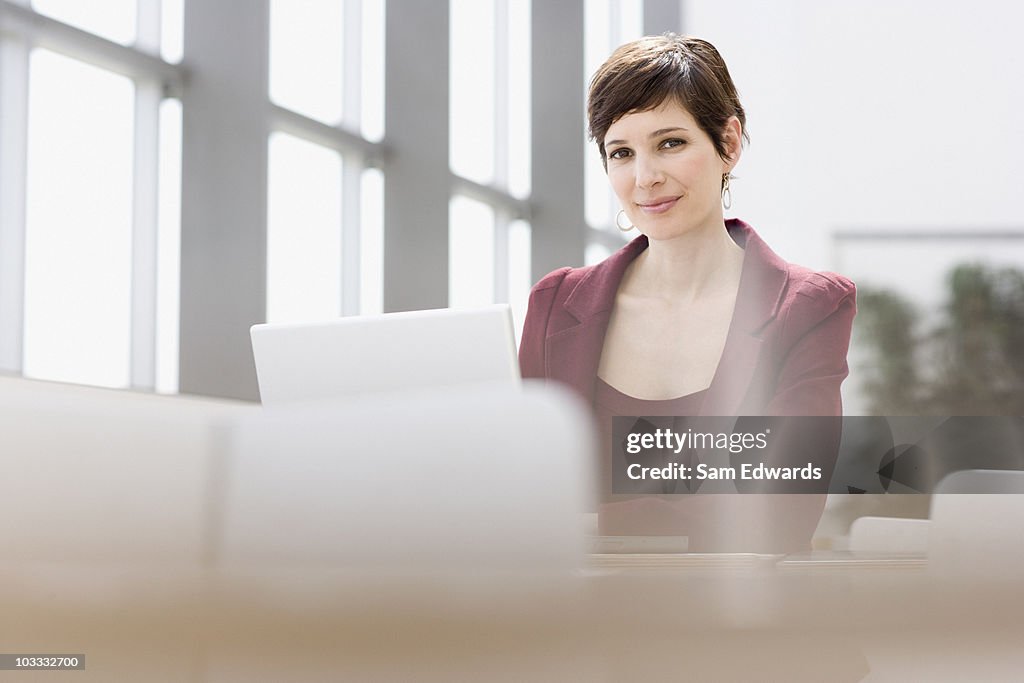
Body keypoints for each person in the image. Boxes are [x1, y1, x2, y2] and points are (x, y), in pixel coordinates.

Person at [518, 34, 857, 552]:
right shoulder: (555, 304)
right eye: (621, 153)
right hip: (575, 623)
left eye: (670, 143)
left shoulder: (808, 306)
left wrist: (585, 527)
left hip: (736, 624)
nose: (645, 177)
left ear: (729, 143)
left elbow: (780, 510)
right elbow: (524, 495)